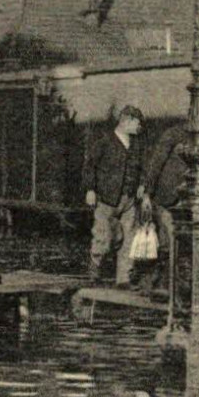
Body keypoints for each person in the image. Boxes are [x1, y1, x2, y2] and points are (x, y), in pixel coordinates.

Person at [83, 105, 147, 287]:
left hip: (129, 200)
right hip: (107, 199)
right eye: (137, 123)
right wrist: (90, 189)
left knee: (130, 238)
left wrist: (142, 185)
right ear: (126, 121)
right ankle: (94, 268)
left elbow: (141, 168)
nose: (139, 127)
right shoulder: (104, 142)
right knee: (104, 237)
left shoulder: (136, 145)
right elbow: (89, 167)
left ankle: (123, 278)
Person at [139, 120, 194, 296]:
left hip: (189, 199)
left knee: (184, 242)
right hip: (168, 196)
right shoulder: (172, 134)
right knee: (166, 242)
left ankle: (177, 283)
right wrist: (148, 192)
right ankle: (161, 283)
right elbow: (156, 163)